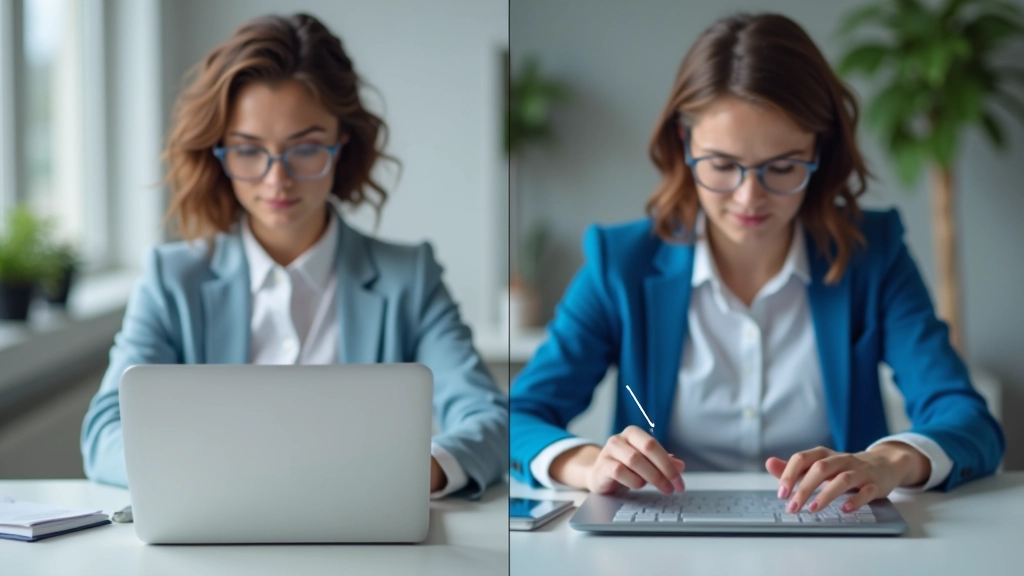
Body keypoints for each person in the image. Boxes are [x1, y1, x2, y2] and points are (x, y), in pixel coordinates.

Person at [509, 12, 1004, 515]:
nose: (749, 197)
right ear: (684, 146)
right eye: (722, 165)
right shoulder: (623, 264)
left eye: (783, 167)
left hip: (833, 541)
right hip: (658, 541)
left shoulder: (872, 255)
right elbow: (520, 415)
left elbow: (967, 420)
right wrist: (589, 463)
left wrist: (889, 463)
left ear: (820, 150)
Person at [81, 13, 507, 500]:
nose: (276, 180)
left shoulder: (407, 277)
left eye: (304, 149)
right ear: (218, 153)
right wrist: (220, 477)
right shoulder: (172, 280)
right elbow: (103, 434)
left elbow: (490, 420)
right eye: (248, 150)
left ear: (341, 146)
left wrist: (412, 471)